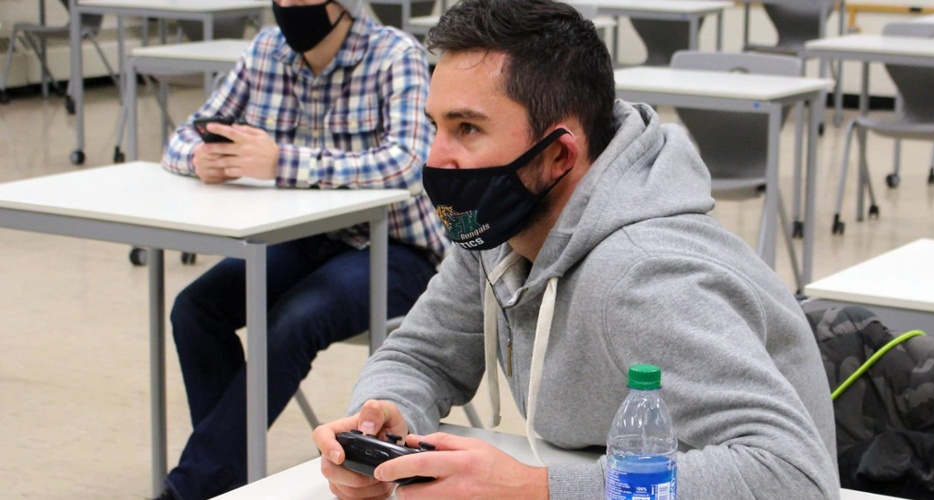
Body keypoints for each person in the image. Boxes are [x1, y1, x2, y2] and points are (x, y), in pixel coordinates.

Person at [310, 1, 840, 499]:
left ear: (560, 154)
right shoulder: (502, 227)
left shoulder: (644, 277)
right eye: (436, 126)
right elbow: (421, 354)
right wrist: (383, 418)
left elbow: (793, 475)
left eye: (467, 128)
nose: (437, 158)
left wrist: (535, 489)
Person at [156, 0, 447, 498]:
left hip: (397, 250)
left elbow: (408, 162)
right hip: (305, 236)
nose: (289, 7)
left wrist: (282, 162)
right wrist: (202, 156)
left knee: (293, 320)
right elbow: (182, 137)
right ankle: (224, 469)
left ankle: (192, 487)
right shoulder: (267, 50)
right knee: (195, 307)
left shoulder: (393, 53)